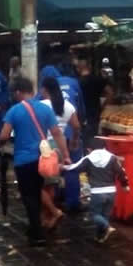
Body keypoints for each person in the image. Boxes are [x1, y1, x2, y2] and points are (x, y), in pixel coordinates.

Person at [0, 76, 71, 246]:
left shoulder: (14, 111)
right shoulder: (45, 109)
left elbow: (4, 135)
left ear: (18, 92)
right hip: (41, 159)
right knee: (37, 191)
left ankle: (37, 233)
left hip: (23, 161)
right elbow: (57, 133)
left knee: (28, 196)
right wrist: (65, 155)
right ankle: (35, 227)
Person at [39, 64, 86, 211]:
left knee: (50, 173)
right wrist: (76, 139)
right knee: (71, 168)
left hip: (50, 141)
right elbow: (80, 111)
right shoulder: (72, 82)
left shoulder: (42, 99)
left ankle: (54, 205)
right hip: (70, 133)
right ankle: (72, 202)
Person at [63, 143, 130, 243]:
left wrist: (62, 167)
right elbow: (121, 172)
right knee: (104, 216)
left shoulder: (89, 158)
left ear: (89, 149)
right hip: (111, 192)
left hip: (97, 193)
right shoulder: (111, 157)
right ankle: (100, 237)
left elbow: (74, 168)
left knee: (93, 214)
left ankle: (107, 227)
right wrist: (125, 185)